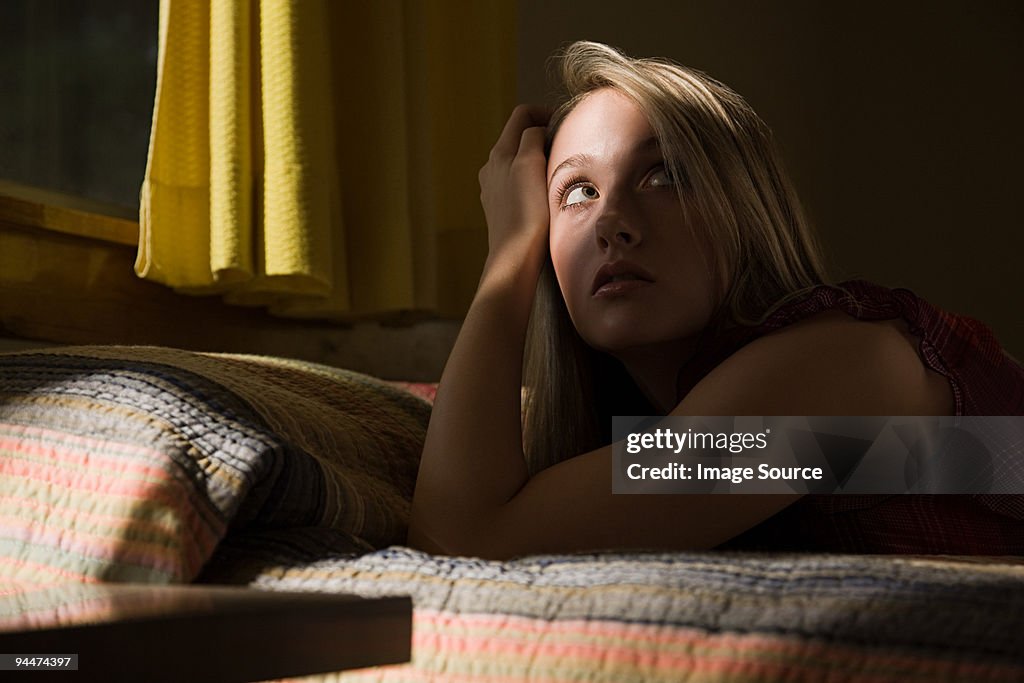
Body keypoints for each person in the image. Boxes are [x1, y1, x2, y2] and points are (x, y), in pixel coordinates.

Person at [407, 41, 1024, 559]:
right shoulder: (651, 426)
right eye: (575, 192)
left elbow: (463, 539)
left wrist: (509, 254)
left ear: (748, 212)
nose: (612, 222)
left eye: (664, 176)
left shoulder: (838, 370)